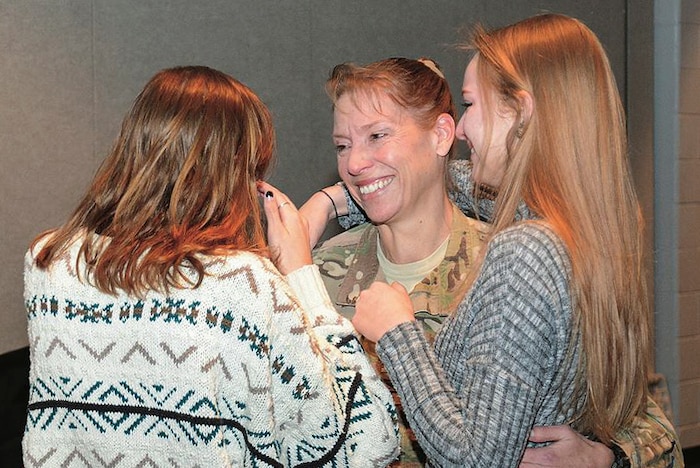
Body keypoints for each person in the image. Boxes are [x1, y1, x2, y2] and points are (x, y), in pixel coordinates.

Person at [301, 14, 683, 467]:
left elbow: (643, 421)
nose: (355, 161)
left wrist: (610, 458)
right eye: (343, 145)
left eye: (379, 135)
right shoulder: (321, 272)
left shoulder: (511, 254)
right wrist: (333, 200)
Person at [22, 66, 399, 467]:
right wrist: (302, 280)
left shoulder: (49, 261)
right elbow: (366, 444)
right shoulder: (241, 285)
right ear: (235, 171)